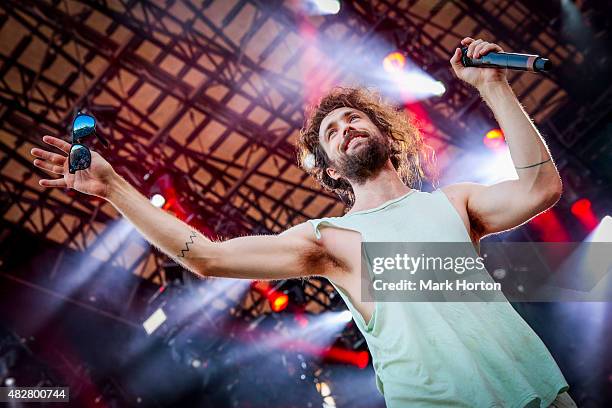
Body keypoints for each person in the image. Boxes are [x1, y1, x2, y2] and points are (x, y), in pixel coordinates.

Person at [31, 37, 576, 407]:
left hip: (542, 393)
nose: (342, 129)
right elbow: (205, 255)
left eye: (352, 118)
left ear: (386, 135)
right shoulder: (329, 240)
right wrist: (114, 189)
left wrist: (494, 88)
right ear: (332, 169)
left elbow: (541, 188)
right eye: (330, 132)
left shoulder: (454, 203)